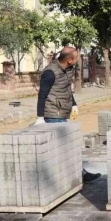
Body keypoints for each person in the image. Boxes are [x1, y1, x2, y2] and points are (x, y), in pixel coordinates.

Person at [34, 47, 100, 183]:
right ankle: (77, 174)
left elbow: (67, 89)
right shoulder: (50, 72)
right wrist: (40, 117)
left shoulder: (68, 69)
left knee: (68, 144)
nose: (78, 60)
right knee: (64, 146)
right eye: (76, 58)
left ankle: (78, 173)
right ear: (69, 60)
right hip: (53, 114)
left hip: (62, 111)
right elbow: (42, 95)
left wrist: (73, 104)